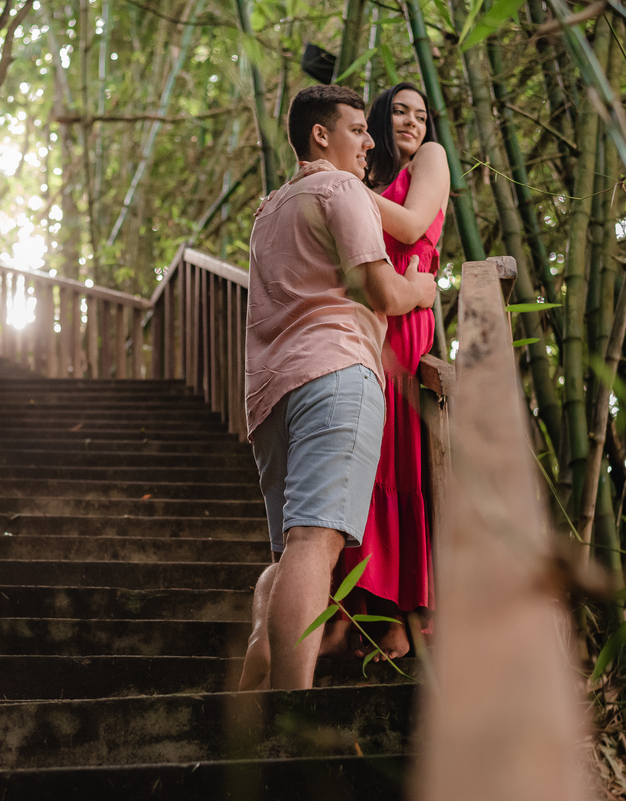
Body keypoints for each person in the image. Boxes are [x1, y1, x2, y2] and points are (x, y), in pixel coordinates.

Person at [237, 84, 437, 692]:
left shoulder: (270, 208)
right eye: (358, 129)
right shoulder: (341, 188)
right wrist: (423, 289)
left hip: (269, 393)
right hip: (335, 371)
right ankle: (290, 707)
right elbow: (381, 290)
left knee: (288, 554)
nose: (371, 140)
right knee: (316, 545)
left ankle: (254, 674)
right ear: (321, 136)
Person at [321, 82, 450, 662]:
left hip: (405, 329)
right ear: (378, 118)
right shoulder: (365, 183)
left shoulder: (432, 159)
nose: (411, 122)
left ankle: (406, 618)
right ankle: (358, 613)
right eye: (398, 110)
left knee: (399, 465)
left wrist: (336, 183)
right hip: (367, 326)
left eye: (420, 114)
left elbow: (413, 224)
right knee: (363, 468)